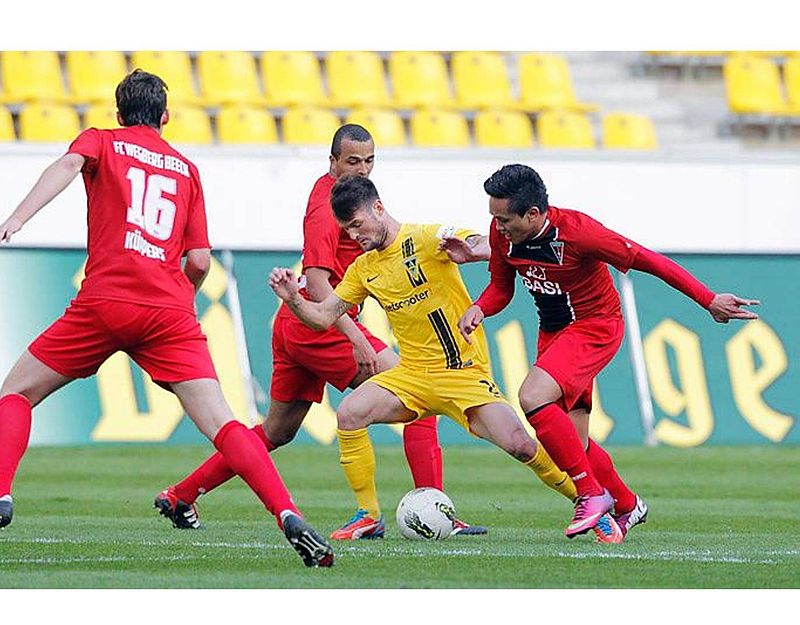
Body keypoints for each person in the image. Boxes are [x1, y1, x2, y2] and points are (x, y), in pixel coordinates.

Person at [0, 70, 334, 568]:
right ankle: (288, 514)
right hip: (168, 309)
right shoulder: (187, 170)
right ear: (165, 117)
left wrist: (17, 219)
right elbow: (201, 261)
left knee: (17, 393)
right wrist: (178, 305)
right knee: (225, 425)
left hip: (105, 301)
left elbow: (66, 165)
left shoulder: (101, 141)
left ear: (119, 113)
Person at [157, 124, 486, 541]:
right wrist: (358, 338)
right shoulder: (324, 210)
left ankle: (180, 495)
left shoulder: (347, 198)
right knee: (420, 393)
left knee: (277, 431)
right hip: (318, 327)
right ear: (332, 162)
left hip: (296, 328)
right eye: (352, 161)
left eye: (369, 161)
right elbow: (316, 283)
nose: (361, 170)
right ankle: (434, 512)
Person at [444, 163, 760, 541]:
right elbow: (501, 286)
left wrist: (708, 299)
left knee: (531, 395)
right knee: (571, 441)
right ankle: (628, 505)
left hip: (595, 327)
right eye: (493, 217)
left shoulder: (579, 233)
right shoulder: (503, 234)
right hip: (554, 333)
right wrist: (481, 307)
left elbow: (648, 260)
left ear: (533, 213)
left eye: (505, 218)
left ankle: (591, 494)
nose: (497, 226)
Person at [268, 175, 581, 533]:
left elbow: (483, 242)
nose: (354, 236)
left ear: (379, 209)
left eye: (357, 225)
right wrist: (293, 298)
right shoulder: (364, 269)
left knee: (522, 446)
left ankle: (584, 498)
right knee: (350, 413)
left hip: (463, 372)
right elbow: (323, 316)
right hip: (413, 375)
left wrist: (474, 250)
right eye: (347, 230)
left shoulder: (429, 237)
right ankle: (368, 515)